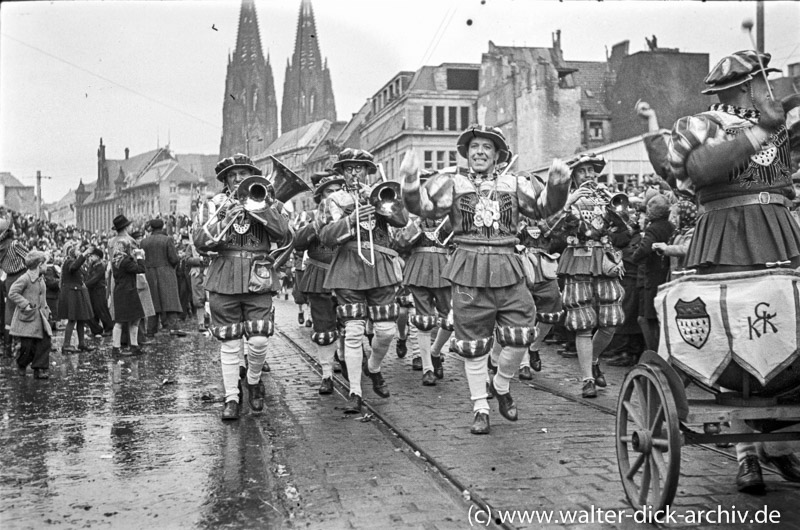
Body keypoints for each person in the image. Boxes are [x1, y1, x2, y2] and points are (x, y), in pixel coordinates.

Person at [668, 49, 800, 493]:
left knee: (789, 332)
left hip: (782, 230)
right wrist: (761, 129)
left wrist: (781, 121)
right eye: (765, 82)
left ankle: (779, 447)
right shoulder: (699, 124)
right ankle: (747, 455)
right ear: (743, 88)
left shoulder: (781, 125)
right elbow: (698, 169)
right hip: (727, 233)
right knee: (736, 335)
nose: (772, 90)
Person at [402, 125, 570, 434]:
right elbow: (422, 208)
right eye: (475, 146)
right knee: (473, 340)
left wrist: (559, 184)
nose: (480, 151)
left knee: (522, 332)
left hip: (508, 264)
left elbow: (543, 208)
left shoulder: (515, 183)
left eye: (487, 147)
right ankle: (480, 407)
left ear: (497, 155)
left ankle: (502, 383)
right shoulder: (452, 183)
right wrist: (411, 181)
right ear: (467, 153)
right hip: (468, 266)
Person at [193, 153, 290, 421]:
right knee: (230, 343)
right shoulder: (213, 205)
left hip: (258, 274)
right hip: (224, 274)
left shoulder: (268, 201)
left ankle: (254, 380)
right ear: (225, 179)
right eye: (233, 174)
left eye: (244, 173)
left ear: (252, 175)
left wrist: (263, 210)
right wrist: (225, 220)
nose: (238, 178)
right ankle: (231, 397)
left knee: (259, 339)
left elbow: (283, 234)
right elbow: (199, 240)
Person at [318, 148, 409, 414]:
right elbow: (324, 236)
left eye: (359, 168)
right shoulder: (333, 200)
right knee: (354, 331)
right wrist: (350, 220)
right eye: (348, 168)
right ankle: (355, 391)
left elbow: (402, 221)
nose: (354, 172)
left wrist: (383, 202)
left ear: (368, 170)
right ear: (342, 172)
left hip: (379, 264)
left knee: (386, 331)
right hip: (348, 264)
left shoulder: (378, 192)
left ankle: (375, 367)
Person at [555, 153, 632, 398]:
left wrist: (616, 214)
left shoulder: (606, 196)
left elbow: (626, 232)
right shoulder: (566, 199)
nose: (589, 175)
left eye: (591, 170)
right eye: (582, 171)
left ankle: (595, 358)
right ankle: (587, 377)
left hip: (604, 260)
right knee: (583, 322)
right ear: (574, 176)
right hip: (578, 260)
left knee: (610, 321)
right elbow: (554, 233)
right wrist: (568, 205)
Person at [394, 169, 452, 386]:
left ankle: (436, 352)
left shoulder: (447, 213)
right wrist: (414, 225)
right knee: (423, 320)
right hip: (418, 268)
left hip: (444, 268)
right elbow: (398, 243)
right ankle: (427, 367)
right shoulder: (410, 215)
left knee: (449, 319)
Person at [294, 169, 346, 394]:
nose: (334, 195)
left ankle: (346, 358)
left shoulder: (351, 214)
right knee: (323, 327)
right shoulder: (309, 216)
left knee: (351, 325)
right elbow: (297, 243)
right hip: (319, 275)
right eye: (329, 192)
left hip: (346, 274)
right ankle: (326, 374)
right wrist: (317, 223)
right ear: (321, 196)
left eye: (338, 191)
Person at [9, 250, 52, 379]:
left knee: (44, 343)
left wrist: (47, 310)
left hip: (41, 317)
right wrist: (25, 304)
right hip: (27, 318)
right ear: (39, 265)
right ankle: (21, 363)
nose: (46, 266)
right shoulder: (25, 278)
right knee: (27, 347)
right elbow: (12, 292)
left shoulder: (40, 278)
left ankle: (39, 369)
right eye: (45, 264)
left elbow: (42, 297)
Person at [140, 218, 185, 337]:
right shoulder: (167, 240)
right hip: (166, 272)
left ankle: (151, 330)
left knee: (153, 302)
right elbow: (174, 258)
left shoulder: (144, 242)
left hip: (150, 273)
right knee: (170, 301)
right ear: (162, 227)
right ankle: (174, 327)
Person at [57, 242, 95, 353]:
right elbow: (74, 267)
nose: (80, 251)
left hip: (77, 292)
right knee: (72, 319)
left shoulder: (73, 262)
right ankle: (66, 344)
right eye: (78, 249)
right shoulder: (69, 262)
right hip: (72, 293)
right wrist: (84, 254)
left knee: (81, 318)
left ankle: (81, 343)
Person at [111, 239, 146, 355]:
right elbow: (140, 269)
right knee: (133, 319)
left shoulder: (115, 260)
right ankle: (125, 347)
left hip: (120, 292)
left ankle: (121, 346)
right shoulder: (126, 261)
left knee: (124, 319)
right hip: (128, 292)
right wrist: (140, 257)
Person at [0, 218, 28, 353]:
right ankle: (22, 344)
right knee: (24, 308)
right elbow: (29, 258)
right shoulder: (15, 244)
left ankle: (7, 347)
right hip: (21, 277)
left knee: (9, 312)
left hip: (9, 280)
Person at [84, 247, 113, 337]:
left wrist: (85, 285)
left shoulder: (101, 266)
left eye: (92, 256)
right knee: (94, 310)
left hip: (99, 290)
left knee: (101, 309)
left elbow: (95, 278)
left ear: (97, 257)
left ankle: (109, 328)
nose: (90, 258)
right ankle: (96, 329)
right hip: (92, 291)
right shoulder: (92, 265)